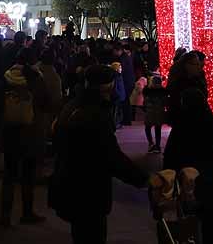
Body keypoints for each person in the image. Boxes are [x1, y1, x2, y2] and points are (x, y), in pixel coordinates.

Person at [50, 64, 148, 243]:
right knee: (92, 234)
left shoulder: (73, 105)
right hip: (89, 190)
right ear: (106, 87)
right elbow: (112, 157)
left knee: (80, 234)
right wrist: (143, 179)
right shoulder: (94, 115)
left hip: (71, 183)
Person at [162, 87, 213, 230]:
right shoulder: (210, 120)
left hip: (187, 173)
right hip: (209, 171)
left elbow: (171, 151)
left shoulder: (181, 123)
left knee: (189, 214)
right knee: (210, 213)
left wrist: (168, 174)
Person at [0, 47, 51, 227]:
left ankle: (5, 215)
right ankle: (27, 212)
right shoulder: (36, 79)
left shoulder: (6, 76)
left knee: (9, 175)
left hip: (9, 130)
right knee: (28, 175)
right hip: (30, 131)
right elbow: (46, 102)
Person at [143, 75, 166, 153]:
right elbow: (165, 102)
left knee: (148, 128)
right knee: (157, 129)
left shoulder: (147, 90)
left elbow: (145, 101)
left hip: (150, 111)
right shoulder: (163, 91)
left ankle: (151, 144)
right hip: (159, 112)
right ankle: (157, 146)